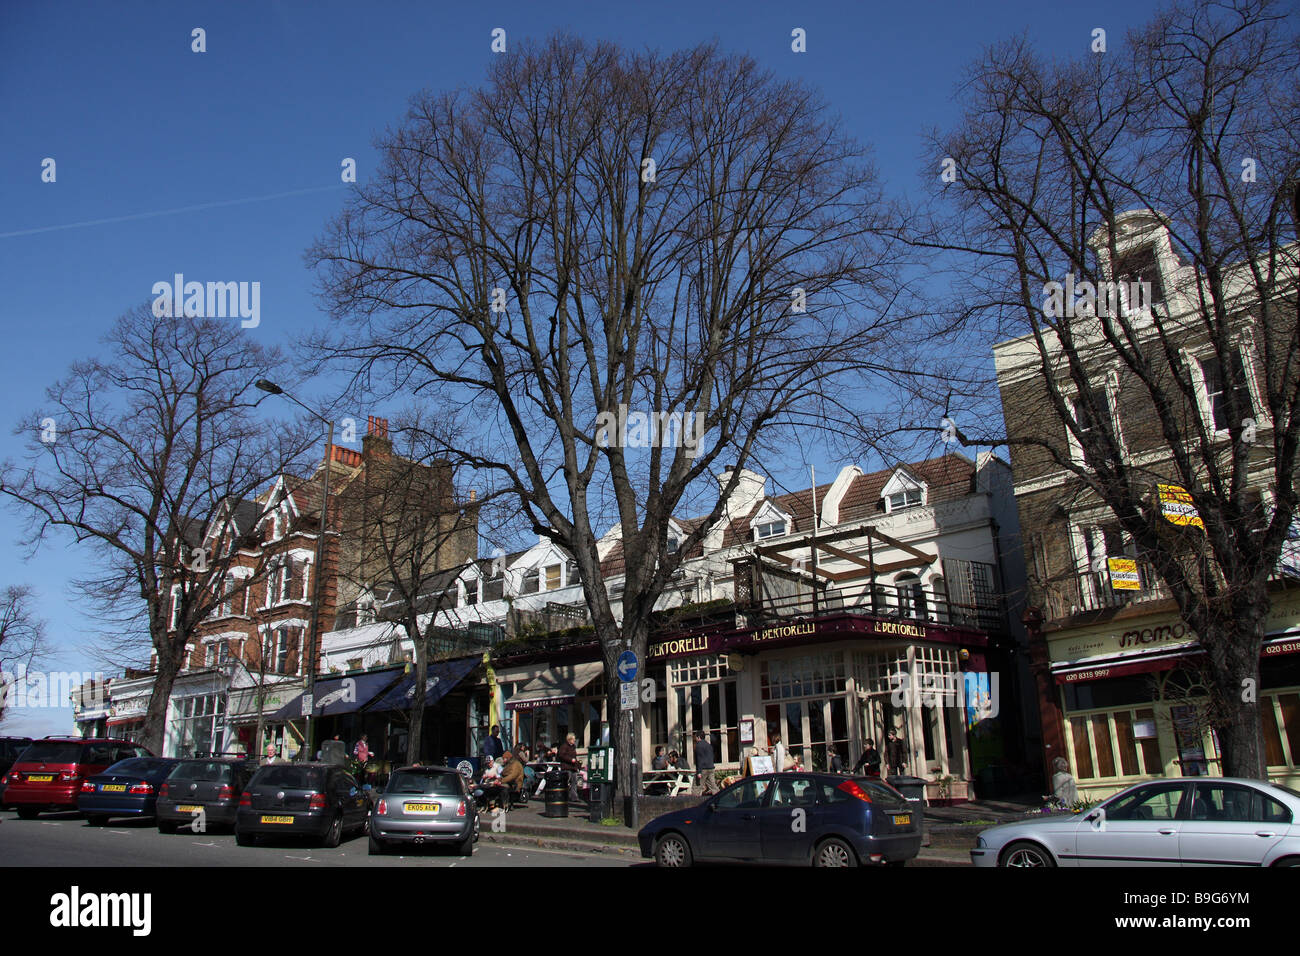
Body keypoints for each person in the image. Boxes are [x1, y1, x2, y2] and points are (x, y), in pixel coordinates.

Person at [557, 732, 581, 800]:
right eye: (573, 739)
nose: (574, 740)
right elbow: (561, 755)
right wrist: (570, 760)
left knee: (574, 782)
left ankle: (574, 797)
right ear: (569, 739)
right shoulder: (564, 746)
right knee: (566, 782)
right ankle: (564, 796)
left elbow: (574, 757)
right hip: (566, 767)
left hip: (573, 767)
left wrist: (577, 765)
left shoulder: (573, 747)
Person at [693, 731, 718, 796]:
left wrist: (699, 772)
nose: (695, 739)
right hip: (711, 768)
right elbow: (712, 756)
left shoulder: (698, 746)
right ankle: (719, 798)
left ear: (698, 737)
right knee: (713, 786)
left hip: (703, 769)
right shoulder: (709, 745)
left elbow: (699, 759)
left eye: (695, 737)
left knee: (696, 787)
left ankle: (694, 802)